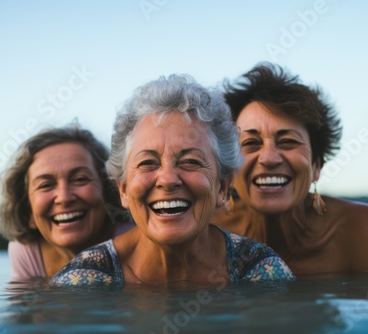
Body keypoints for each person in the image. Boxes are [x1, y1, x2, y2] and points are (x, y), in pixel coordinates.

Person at [50, 75, 294, 286]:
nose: (167, 179)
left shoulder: (260, 272)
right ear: (123, 189)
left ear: (223, 186)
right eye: (147, 163)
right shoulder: (84, 280)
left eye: (191, 161)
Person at [212, 62, 368, 275]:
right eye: (250, 144)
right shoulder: (207, 233)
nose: (268, 158)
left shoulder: (362, 232)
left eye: (288, 141)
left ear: (317, 165)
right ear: (230, 168)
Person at [0, 124, 131, 281]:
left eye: (80, 179)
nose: (64, 197)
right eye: (45, 185)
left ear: (109, 192)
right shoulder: (27, 252)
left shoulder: (134, 241)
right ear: (28, 212)